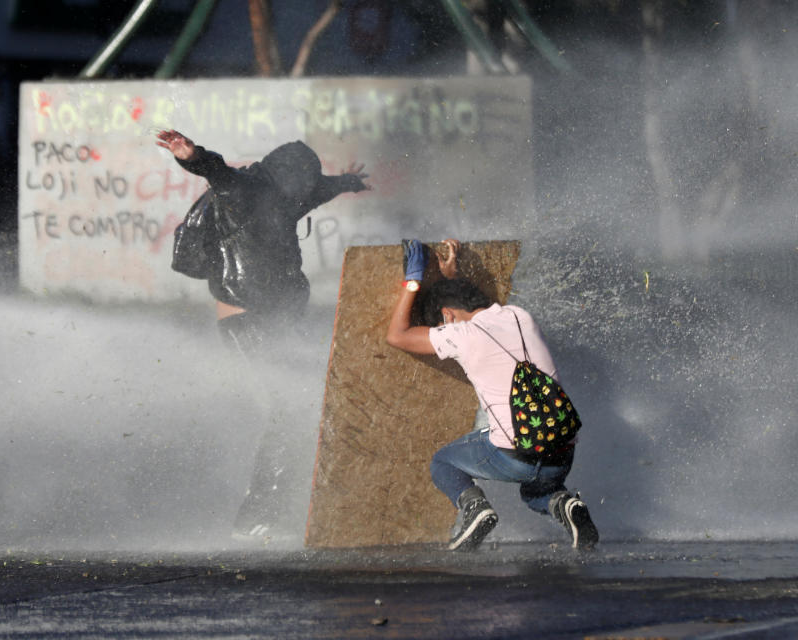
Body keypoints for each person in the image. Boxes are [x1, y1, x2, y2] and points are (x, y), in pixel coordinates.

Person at [156, 130, 371, 541]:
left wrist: (347, 182)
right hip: (245, 320)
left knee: (304, 408)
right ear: (281, 175)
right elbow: (217, 172)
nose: (303, 191)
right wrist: (192, 155)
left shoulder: (286, 196)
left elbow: (317, 192)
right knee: (288, 410)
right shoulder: (243, 189)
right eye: (301, 182)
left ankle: (283, 508)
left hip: (276, 319)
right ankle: (255, 518)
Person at [386, 239, 599, 551]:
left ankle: (475, 509)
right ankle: (565, 505)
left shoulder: (461, 336)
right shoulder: (519, 316)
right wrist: (452, 278)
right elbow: (477, 309)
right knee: (536, 493)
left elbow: (398, 336)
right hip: (562, 451)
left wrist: (414, 280)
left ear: (446, 316)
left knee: (443, 462)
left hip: (516, 456)